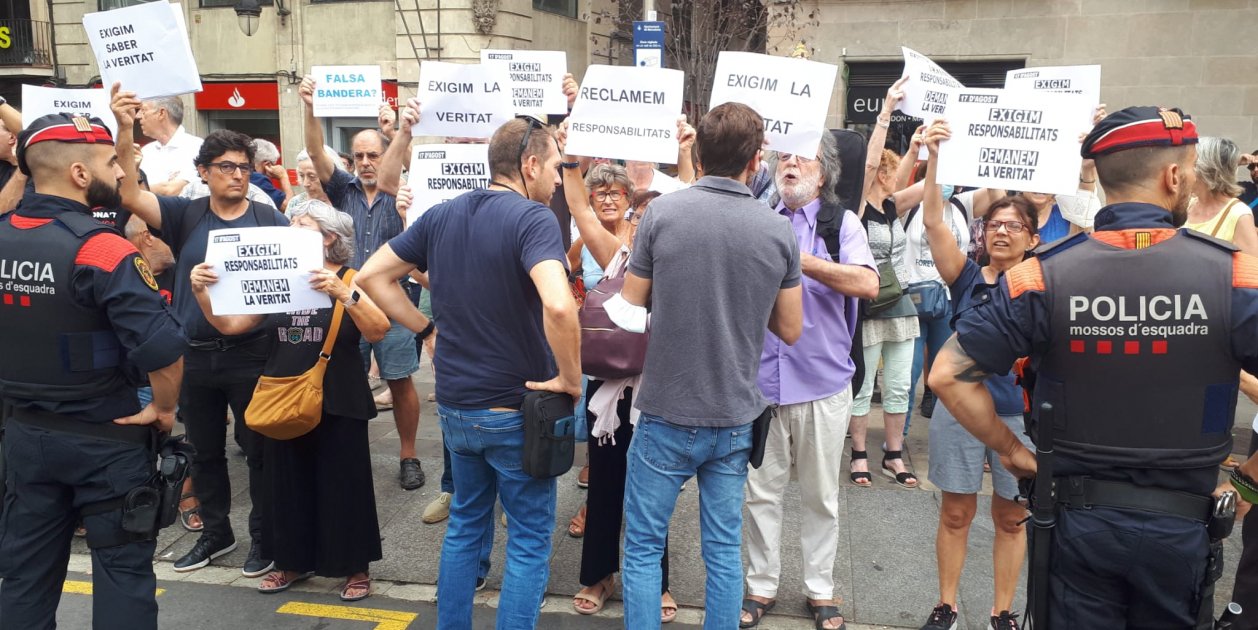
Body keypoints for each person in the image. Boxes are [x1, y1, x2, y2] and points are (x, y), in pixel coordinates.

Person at [930, 106, 1258, 629]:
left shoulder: (1040, 276)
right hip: (1181, 528)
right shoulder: (1236, 275)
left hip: (1075, 523)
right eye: (1191, 170)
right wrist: (1248, 483)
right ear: (1173, 175)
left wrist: (1013, 451)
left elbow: (947, 374)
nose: (1192, 184)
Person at [356, 116, 581, 629]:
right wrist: (571, 379)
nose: (555, 177)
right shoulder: (534, 219)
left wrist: (424, 329)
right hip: (514, 409)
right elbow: (561, 307)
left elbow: (371, 276)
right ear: (528, 164)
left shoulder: (442, 215)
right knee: (526, 541)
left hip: (458, 408)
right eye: (553, 166)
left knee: (464, 527)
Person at [607, 102, 803, 630]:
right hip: (734, 413)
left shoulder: (664, 214)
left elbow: (630, 301)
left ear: (696, 151)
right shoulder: (776, 230)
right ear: (756, 160)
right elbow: (790, 328)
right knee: (722, 551)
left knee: (645, 547)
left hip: (667, 408)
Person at [0, 112, 186, 630]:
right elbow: (164, 350)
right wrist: (164, 408)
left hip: (24, 437)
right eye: (110, 162)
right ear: (81, 174)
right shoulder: (101, 248)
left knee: (24, 576)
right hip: (107, 439)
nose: (122, 173)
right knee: (123, 574)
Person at [111, 84, 288, 577]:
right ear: (204, 173)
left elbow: (283, 289)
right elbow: (127, 193)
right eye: (227, 167)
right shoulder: (185, 215)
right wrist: (126, 130)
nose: (237, 175)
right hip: (195, 355)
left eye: (243, 167)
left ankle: (264, 537)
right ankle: (215, 533)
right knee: (204, 452)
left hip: (251, 353)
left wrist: (241, 320)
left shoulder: (269, 218)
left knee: (258, 452)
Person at [189, 200, 389, 602]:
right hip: (283, 394)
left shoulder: (351, 278)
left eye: (300, 226)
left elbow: (379, 329)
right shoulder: (280, 278)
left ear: (328, 237)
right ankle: (290, 562)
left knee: (343, 486)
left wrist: (344, 294)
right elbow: (230, 325)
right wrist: (201, 292)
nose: (289, 231)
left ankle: (353, 567)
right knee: (287, 484)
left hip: (339, 398)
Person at [740, 133, 879, 630]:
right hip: (761, 386)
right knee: (761, 493)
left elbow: (867, 283)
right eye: (784, 156)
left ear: (824, 173)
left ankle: (820, 590)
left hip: (822, 383)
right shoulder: (757, 218)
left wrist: (804, 261)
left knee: (821, 495)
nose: (791, 164)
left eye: (803, 157)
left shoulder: (841, 224)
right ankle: (761, 586)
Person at [914, 121, 1038, 630]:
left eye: (1014, 225)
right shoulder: (965, 275)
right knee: (956, 513)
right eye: (994, 224)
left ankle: (1002, 612)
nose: (1002, 230)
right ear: (983, 233)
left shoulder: (1045, 282)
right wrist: (935, 158)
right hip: (959, 415)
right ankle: (947, 606)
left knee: (1012, 518)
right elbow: (934, 222)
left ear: (1033, 236)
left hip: (1018, 414)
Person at [557, 156, 679, 623]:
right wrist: (570, 163)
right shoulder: (616, 255)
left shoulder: (683, 265)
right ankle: (600, 574)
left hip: (659, 393)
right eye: (639, 217)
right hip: (609, 391)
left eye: (654, 218)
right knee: (606, 483)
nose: (646, 225)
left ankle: (659, 582)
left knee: (653, 491)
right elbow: (582, 211)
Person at [299, 76, 425, 491]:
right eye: (359, 156)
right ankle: (346, 451)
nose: (367, 162)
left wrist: (404, 131)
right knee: (340, 376)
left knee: (400, 379)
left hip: (394, 302)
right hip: (345, 302)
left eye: (374, 154)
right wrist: (309, 107)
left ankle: (408, 454)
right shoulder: (341, 189)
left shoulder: (401, 192)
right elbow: (316, 151)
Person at [851, 77, 925, 489]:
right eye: (890, 170)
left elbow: (933, 184)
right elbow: (866, 165)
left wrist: (923, 146)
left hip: (900, 306)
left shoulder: (896, 206)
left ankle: (893, 454)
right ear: (880, 173)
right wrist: (884, 115)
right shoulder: (858, 207)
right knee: (863, 386)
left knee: (899, 386)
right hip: (867, 305)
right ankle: (859, 453)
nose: (894, 176)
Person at [1184, 136, 1258, 258]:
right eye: (1252, 166)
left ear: (1205, 170)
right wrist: (1235, 160)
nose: (1182, 171)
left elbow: (1250, 273)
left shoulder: (1239, 214)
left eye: (1191, 164)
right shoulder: (1187, 204)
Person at [137, 95, 203, 196]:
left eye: (143, 110)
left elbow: (172, 190)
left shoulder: (197, 147)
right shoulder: (145, 151)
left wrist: (137, 191)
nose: (138, 116)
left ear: (161, 113)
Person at [249, 138, 293, 211]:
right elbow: (288, 207)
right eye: (273, 164)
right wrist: (283, 176)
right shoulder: (258, 179)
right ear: (267, 164)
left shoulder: (243, 173)